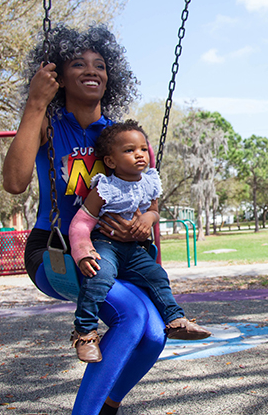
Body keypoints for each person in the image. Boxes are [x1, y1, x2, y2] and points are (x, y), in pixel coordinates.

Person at [3, 24, 166, 415]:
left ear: (112, 77)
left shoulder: (121, 138)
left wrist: (142, 220)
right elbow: (13, 183)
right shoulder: (48, 124)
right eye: (78, 63)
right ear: (59, 75)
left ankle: (106, 405)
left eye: (100, 64)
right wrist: (35, 104)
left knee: (155, 334)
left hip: (114, 253)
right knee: (130, 317)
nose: (92, 70)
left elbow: (149, 198)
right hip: (55, 251)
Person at [70, 119, 210, 363]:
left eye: (143, 149)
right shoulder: (105, 187)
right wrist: (82, 252)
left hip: (133, 249)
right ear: (111, 161)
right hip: (106, 244)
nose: (139, 155)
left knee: (157, 275)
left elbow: (154, 210)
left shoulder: (150, 182)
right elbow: (82, 222)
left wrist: (149, 217)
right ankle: (85, 333)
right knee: (99, 276)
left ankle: (175, 320)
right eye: (129, 150)